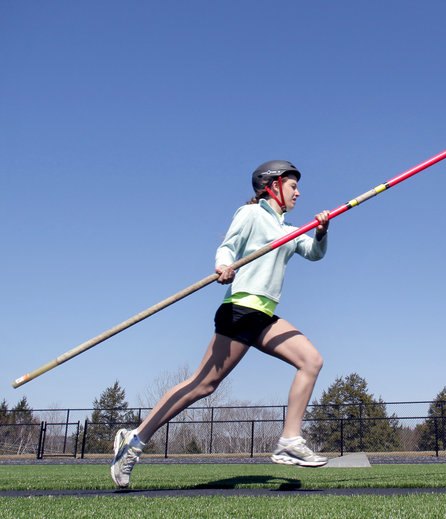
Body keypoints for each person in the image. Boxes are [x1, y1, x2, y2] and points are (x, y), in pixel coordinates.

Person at [111, 160, 331, 488]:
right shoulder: (251, 214)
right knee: (203, 385)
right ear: (273, 185)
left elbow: (314, 253)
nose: (299, 192)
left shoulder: (289, 231)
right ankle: (135, 439)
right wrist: (224, 266)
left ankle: (289, 441)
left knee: (311, 360)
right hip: (240, 309)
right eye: (293, 185)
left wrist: (321, 232)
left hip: (265, 315)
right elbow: (228, 247)